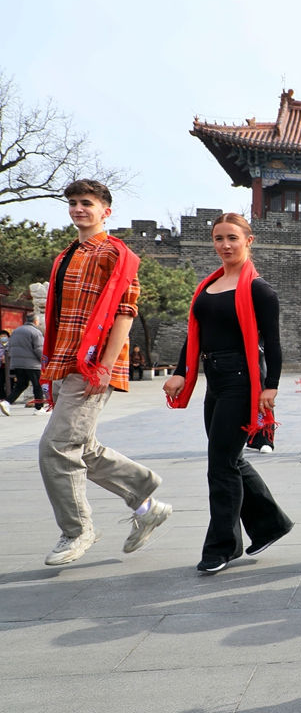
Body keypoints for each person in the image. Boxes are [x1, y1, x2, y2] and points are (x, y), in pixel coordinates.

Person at [37, 179, 172, 566]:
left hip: (91, 364)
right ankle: (146, 502)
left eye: (87, 203)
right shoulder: (66, 254)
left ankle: (76, 531)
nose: (79, 209)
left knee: (56, 448)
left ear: (105, 211)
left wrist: (106, 365)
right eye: (74, 203)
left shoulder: (116, 254)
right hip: (62, 362)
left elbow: (125, 313)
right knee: (83, 447)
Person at [164, 213, 293, 573]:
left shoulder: (258, 289)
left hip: (242, 380)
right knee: (230, 459)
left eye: (232, 238)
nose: (225, 245)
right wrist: (179, 372)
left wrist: (271, 386)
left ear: (248, 240)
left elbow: (273, 341)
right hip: (214, 379)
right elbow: (196, 333)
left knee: (220, 463)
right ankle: (271, 524)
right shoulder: (209, 286)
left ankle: (222, 546)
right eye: (219, 238)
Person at [2, 312, 45, 415]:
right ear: (36, 321)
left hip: (17, 363)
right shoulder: (35, 332)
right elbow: (39, 349)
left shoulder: (16, 331)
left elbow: (8, 346)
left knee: (21, 384)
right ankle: (39, 408)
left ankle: (7, 402)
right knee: (38, 384)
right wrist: (44, 361)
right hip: (32, 364)